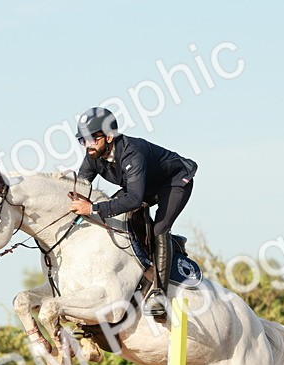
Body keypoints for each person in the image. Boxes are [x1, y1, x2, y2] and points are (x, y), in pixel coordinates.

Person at [69, 106, 197, 317]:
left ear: (109, 137)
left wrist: (93, 208)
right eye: (83, 140)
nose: (88, 145)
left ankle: (159, 294)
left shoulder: (132, 152)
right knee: (114, 210)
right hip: (144, 183)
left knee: (159, 228)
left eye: (92, 139)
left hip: (175, 181)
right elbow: (82, 187)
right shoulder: (92, 155)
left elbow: (135, 198)